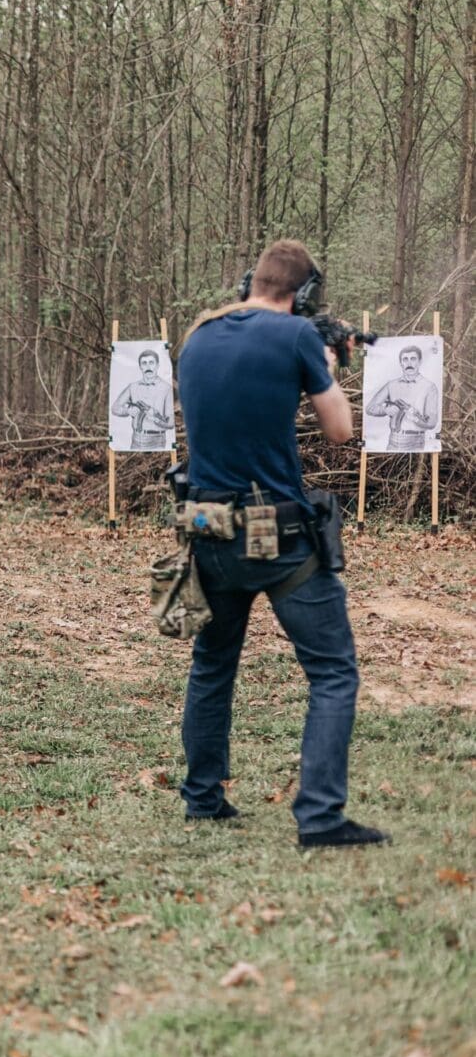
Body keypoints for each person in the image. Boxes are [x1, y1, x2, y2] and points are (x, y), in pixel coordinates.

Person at [176, 239, 387, 848]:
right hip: (275, 534)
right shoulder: (295, 338)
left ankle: (202, 799)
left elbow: (238, 402)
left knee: (212, 666)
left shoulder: (199, 334)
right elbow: (341, 432)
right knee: (333, 672)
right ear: (301, 295)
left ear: (252, 282)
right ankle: (320, 817)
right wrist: (323, 363)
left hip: (205, 528)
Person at [365, 344, 440, 451]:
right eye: (405, 359)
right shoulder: (391, 385)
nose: (409, 363)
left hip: (416, 441)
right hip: (393, 440)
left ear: (420, 362)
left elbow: (432, 422)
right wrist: (386, 410)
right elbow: (370, 408)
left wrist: (414, 417)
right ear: (401, 363)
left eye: (413, 359)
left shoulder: (429, 387)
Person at [110, 348, 172, 450]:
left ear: (157, 365)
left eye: (151, 362)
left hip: (158, 440)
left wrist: (156, 418)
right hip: (136, 439)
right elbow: (115, 408)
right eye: (144, 363)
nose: (148, 366)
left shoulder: (167, 388)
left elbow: (171, 422)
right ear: (140, 367)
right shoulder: (132, 387)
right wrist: (128, 411)